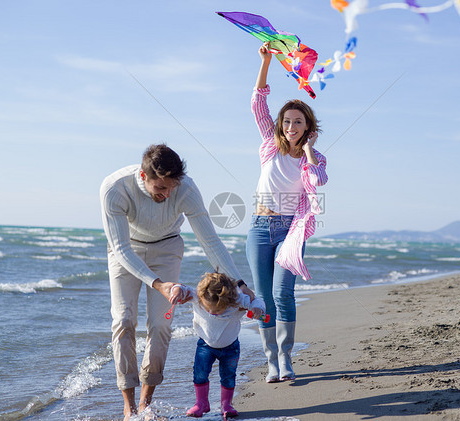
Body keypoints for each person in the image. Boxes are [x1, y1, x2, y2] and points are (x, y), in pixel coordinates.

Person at [99, 144, 255, 420]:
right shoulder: (115, 188)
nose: (167, 194)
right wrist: (157, 283)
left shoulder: (186, 188)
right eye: (161, 188)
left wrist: (239, 283)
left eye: (171, 188)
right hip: (127, 251)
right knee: (123, 320)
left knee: (160, 324)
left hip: (167, 247)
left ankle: (146, 402)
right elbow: (121, 248)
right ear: (143, 176)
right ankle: (128, 405)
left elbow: (209, 240)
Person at [246, 42, 328, 383]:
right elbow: (257, 103)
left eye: (298, 122)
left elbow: (318, 181)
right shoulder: (269, 144)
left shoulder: (315, 158)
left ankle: (286, 356)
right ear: (280, 126)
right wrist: (265, 62)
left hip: (290, 231)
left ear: (308, 127)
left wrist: (308, 152)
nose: (291, 126)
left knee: (283, 293)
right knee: (264, 298)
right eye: (287, 122)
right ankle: (271, 361)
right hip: (260, 227)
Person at [173, 272, 266, 419]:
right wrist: (177, 290)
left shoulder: (237, 299)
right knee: (200, 374)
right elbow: (182, 288)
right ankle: (201, 403)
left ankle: (226, 405)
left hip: (230, 347)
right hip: (205, 345)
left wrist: (258, 309)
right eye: (209, 308)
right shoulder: (198, 296)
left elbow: (257, 302)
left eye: (217, 310)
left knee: (228, 376)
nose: (212, 312)